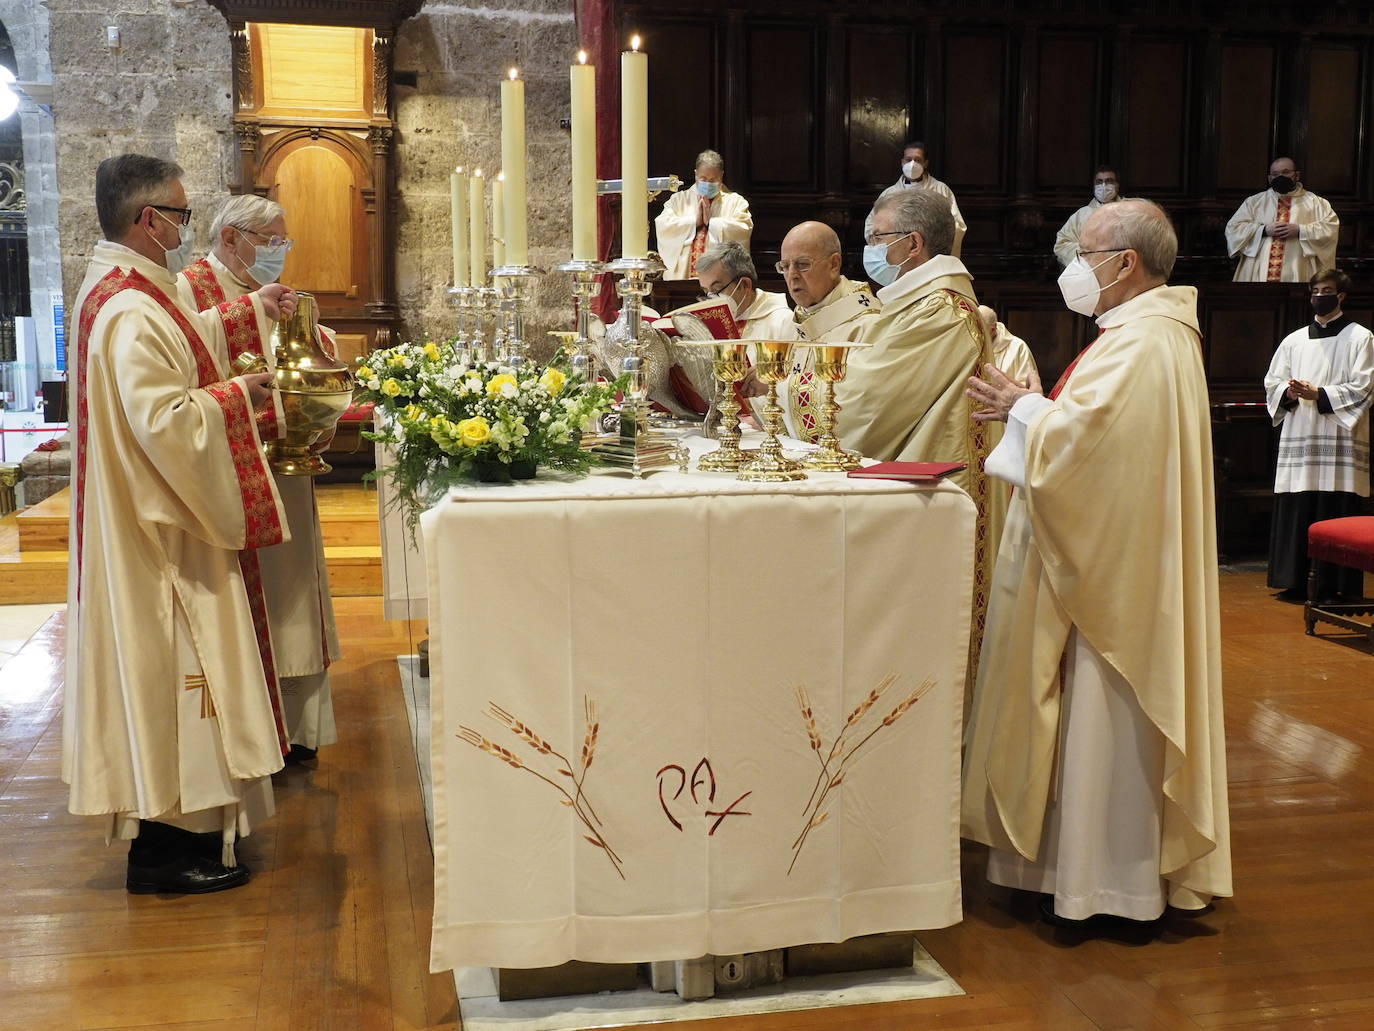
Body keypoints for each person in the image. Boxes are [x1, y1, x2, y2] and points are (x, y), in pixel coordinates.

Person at [962, 198, 1233, 927]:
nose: (1074, 268)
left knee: (1102, 723)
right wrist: (1030, 410)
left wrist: (1022, 407)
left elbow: (1090, 452)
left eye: (1085, 254)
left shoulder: (1145, 342)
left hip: (1115, 590)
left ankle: (1105, 883)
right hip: (1122, 565)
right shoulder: (1144, 333)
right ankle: (1072, 873)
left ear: (1127, 263)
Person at [65, 154, 298, 894]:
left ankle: (177, 839)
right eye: (180, 212)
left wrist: (250, 313)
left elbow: (183, 343)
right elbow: (165, 420)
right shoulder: (129, 308)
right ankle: (166, 850)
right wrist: (234, 398)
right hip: (160, 535)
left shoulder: (129, 290)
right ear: (147, 220)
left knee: (172, 684)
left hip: (149, 519)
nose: (186, 226)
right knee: (175, 681)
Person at [178, 194, 342, 765]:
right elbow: (185, 352)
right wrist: (248, 311)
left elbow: (311, 358)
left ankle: (296, 728)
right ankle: (253, 732)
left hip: (286, 465)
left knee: (293, 592)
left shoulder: (281, 293)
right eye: (271, 241)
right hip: (230, 474)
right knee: (252, 601)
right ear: (231, 238)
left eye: (283, 242)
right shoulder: (189, 290)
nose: (279, 252)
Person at [839, 188, 1003, 668]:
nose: (869, 250)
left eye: (876, 238)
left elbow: (863, 407)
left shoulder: (939, 310)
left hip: (937, 497)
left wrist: (780, 388)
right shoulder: (917, 303)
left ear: (912, 244)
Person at [1263, 268, 1373, 601]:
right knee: (1300, 501)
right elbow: (1273, 382)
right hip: (1302, 434)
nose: (1319, 295)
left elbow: (1365, 387)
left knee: (1334, 504)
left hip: (1339, 438)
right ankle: (1295, 582)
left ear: (1341, 296)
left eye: (1327, 290)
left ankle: (1336, 585)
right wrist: (1291, 392)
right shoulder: (1293, 340)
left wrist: (1321, 394)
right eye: (1315, 289)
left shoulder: (1360, 337)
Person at [777, 220, 882, 441]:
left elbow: (860, 403)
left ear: (834, 265)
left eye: (803, 264)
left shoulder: (866, 323)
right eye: (785, 266)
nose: (792, 275)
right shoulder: (794, 322)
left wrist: (773, 387)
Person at [1225, 157, 1339, 283]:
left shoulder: (1316, 203)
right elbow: (1233, 229)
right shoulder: (1254, 202)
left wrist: (1301, 230)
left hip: (1300, 269)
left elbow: (1331, 229)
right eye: (1275, 174)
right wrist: (1263, 230)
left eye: (1286, 172)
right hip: (1259, 270)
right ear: (1269, 178)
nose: (1280, 177)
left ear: (1296, 175)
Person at [654, 149, 753, 280]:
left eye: (713, 180)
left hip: (721, 282)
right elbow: (663, 225)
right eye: (703, 179)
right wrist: (693, 222)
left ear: (721, 176)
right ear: (695, 174)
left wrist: (713, 223)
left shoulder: (736, 202)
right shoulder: (678, 200)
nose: (707, 184)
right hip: (682, 280)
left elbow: (743, 227)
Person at [863, 142, 966, 261]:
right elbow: (872, 226)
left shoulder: (941, 190)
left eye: (917, 160)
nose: (912, 164)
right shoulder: (889, 194)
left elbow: (957, 225)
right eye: (908, 159)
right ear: (902, 162)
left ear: (925, 163)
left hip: (930, 256)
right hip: (898, 256)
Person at [1054, 166, 1121, 267]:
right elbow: (1061, 245)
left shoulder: (1131, 212)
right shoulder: (1081, 215)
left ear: (1117, 185)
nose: (1103, 185)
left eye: (1109, 181)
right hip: (1089, 269)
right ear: (1094, 186)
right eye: (1099, 182)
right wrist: (1089, 253)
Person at [976, 305, 1038, 387]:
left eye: (980, 329)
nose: (976, 334)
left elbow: (1028, 387)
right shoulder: (970, 345)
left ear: (993, 329)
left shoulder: (1018, 347)